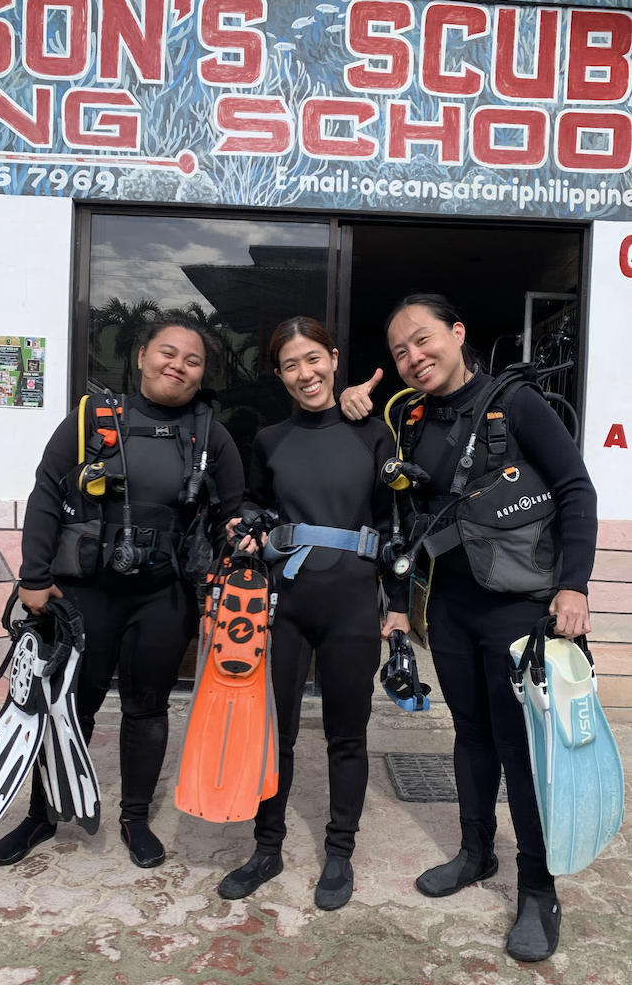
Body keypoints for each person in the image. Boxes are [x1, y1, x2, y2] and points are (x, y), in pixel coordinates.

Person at [340, 294, 597, 962]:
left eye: (423, 340)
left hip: (517, 606)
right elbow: (404, 522)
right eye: (399, 352)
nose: (413, 358)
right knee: (471, 733)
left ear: (457, 333)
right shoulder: (410, 418)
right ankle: (476, 851)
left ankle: (538, 888)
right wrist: (398, 604)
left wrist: (573, 584)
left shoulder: (517, 404)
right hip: (449, 606)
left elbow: (575, 488)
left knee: (520, 747)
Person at [0, 317, 244, 868]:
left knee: (147, 708)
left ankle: (134, 817)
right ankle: (41, 815)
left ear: (202, 375)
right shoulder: (90, 418)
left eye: (193, 360)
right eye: (167, 353)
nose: (178, 366)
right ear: (142, 356)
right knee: (68, 707)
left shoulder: (210, 436)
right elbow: (46, 494)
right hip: (87, 595)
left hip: (164, 597)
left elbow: (233, 511)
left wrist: (237, 554)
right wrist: (34, 576)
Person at [218, 316, 396, 911]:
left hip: (352, 602)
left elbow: (393, 524)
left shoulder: (374, 435)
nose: (306, 373)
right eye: (291, 365)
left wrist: (396, 607)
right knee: (277, 734)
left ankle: (339, 853)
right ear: (279, 374)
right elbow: (255, 502)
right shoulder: (270, 440)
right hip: (285, 603)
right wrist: (244, 524)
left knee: (347, 735)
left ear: (334, 358)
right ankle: (267, 848)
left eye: (314, 359)